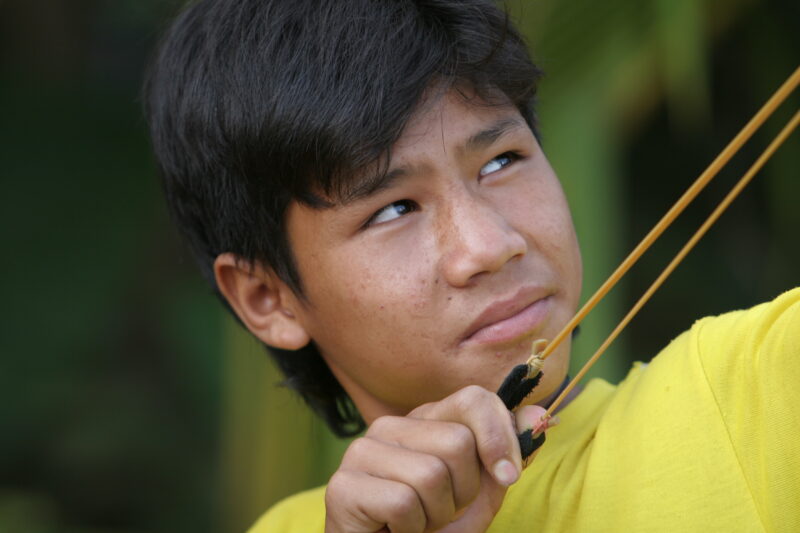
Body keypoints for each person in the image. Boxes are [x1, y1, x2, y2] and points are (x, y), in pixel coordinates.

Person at [143, 0, 800, 531]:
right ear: (266, 298)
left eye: (500, 162)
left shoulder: (756, 387)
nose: (490, 244)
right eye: (394, 208)